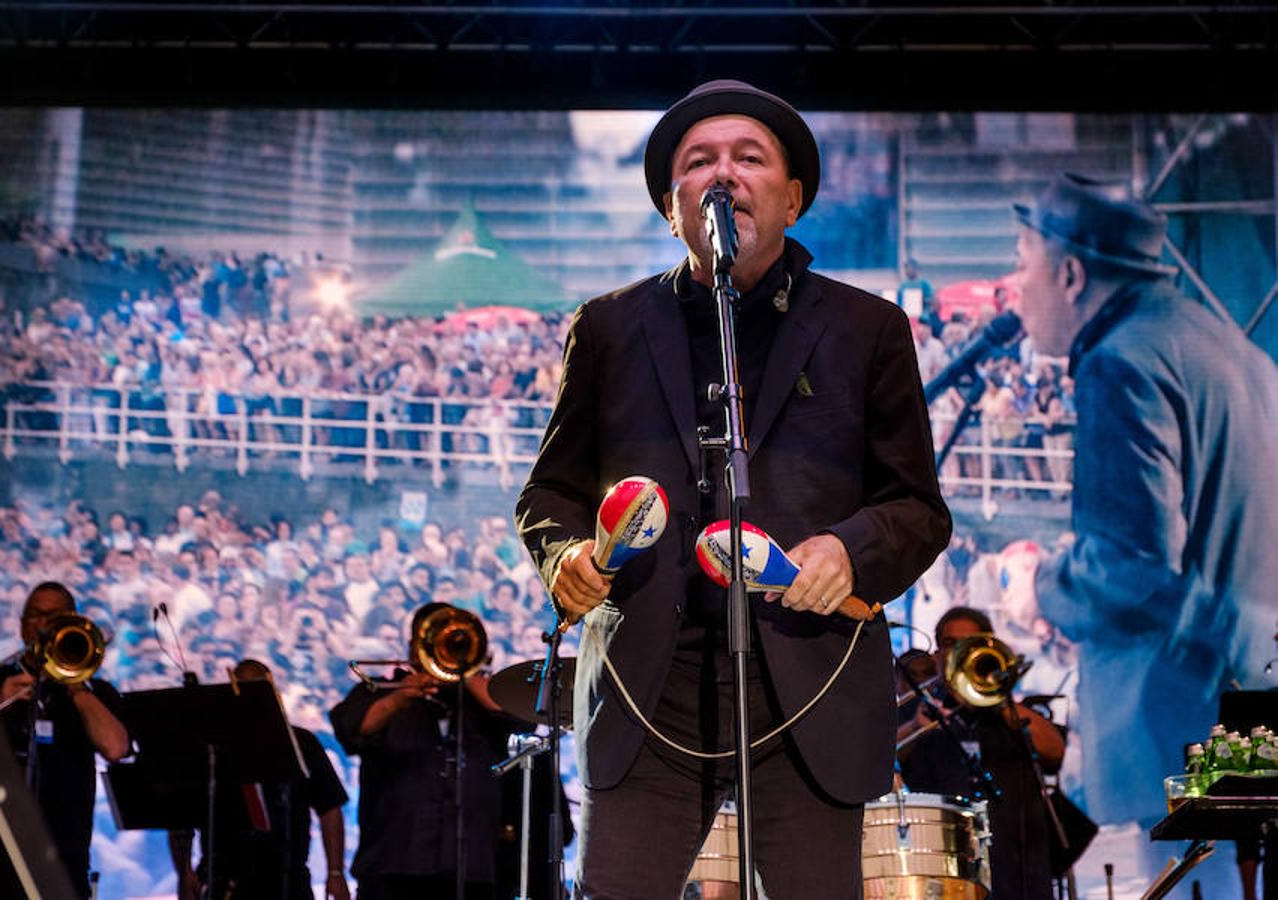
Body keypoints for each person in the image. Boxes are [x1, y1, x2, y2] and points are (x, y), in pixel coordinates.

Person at [515, 79, 951, 898]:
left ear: (792, 198)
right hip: (651, 693)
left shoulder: (867, 330)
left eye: (749, 159)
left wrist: (848, 553)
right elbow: (549, 493)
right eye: (698, 162)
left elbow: (918, 508)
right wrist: (567, 552)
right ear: (669, 205)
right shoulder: (607, 327)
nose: (723, 175)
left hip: (809, 684)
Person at [1010, 173, 1278, 828]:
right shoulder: (1236, 353)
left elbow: (1130, 567)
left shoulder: (1120, 361)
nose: (1013, 287)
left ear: (1071, 275)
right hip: (1248, 705)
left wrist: (1038, 587)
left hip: (1169, 727)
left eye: (1022, 264)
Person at [329, 603, 521, 900]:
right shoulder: (382, 689)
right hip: (393, 862)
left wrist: (461, 669)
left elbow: (516, 713)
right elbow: (354, 729)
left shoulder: (478, 699)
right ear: (413, 647)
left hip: (472, 865)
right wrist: (401, 696)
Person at [0, 581, 130, 899]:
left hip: (65, 856)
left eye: (54, 616)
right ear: (23, 627)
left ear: (72, 621)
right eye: (35, 616)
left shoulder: (98, 692)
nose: (43, 624)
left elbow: (115, 747)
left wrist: (76, 685)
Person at [897, 606, 1066, 900]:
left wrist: (996, 698)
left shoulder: (1011, 712)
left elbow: (1055, 751)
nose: (961, 650)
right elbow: (879, 762)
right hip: (943, 868)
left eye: (970, 641)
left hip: (1017, 866)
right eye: (951, 644)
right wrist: (915, 726)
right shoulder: (918, 709)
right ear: (938, 654)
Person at [170, 658, 350, 900]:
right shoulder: (212, 747)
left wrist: (336, 873)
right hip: (222, 878)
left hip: (289, 877)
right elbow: (182, 815)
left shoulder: (302, 743)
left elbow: (330, 807)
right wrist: (184, 872)